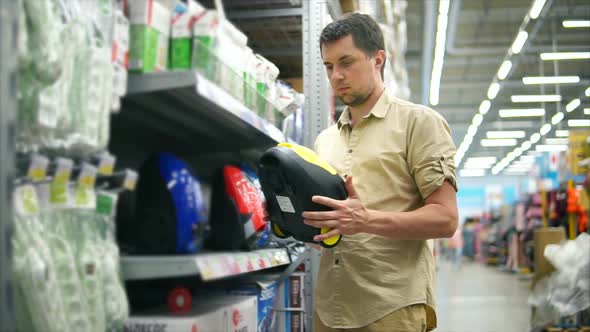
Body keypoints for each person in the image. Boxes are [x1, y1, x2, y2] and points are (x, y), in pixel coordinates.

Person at [301, 13, 459, 332]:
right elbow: (331, 230)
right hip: (330, 308)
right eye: (329, 66)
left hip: (390, 309)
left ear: (378, 59)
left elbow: (446, 219)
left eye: (347, 62)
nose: (336, 76)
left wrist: (367, 220)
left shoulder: (418, 124)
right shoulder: (325, 140)